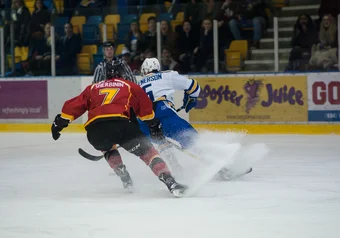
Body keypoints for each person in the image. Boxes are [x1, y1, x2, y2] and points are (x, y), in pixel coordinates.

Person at [50, 77, 188, 197]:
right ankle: (170, 182)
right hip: (121, 125)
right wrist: (152, 123)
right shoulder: (128, 85)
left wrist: (59, 124)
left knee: (107, 147)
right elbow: (144, 105)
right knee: (148, 153)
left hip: (95, 131)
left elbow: (73, 106)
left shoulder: (92, 88)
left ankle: (123, 174)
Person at [138, 57, 200, 151]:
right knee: (193, 139)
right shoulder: (167, 75)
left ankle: (171, 161)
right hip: (164, 114)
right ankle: (210, 158)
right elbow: (194, 87)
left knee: (160, 141)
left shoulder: (137, 84)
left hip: (143, 123)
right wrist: (191, 98)